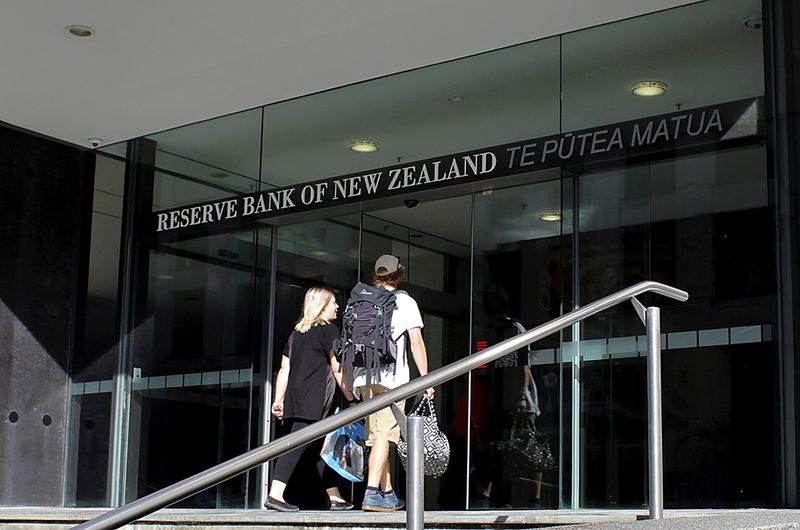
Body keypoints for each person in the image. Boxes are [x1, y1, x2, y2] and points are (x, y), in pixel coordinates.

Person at [348, 255, 435, 512]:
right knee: (385, 435)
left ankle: (387, 493)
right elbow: (416, 342)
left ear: (377, 274)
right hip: (391, 379)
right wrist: (427, 378)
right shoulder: (405, 301)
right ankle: (372, 492)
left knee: (377, 436)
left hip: (364, 377)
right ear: (399, 274)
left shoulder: (361, 299)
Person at [264, 287, 357, 512]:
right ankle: (275, 494)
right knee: (296, 445)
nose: (337, 307)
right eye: (333, 303)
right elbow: (337, 368)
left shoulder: (297, 333)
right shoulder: (329, 331)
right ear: (322, 306)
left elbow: (284, 368)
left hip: (297, 399)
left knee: (320, 448)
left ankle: (335, 497)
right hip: (314, 400)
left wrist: (279, 399)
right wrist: (352, 398)